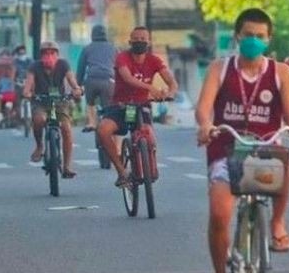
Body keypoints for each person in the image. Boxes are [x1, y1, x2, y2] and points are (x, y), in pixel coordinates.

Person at [195, 8, 289, 273]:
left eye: (260, 36)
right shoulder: (220, 69)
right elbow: (204, 109)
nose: (253, 40)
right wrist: (206, 126)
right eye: (248, 35)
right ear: (237, 36)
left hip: (266, 147)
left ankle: (277, 224)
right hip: (227, 149)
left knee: (286, 165)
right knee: (220, 213)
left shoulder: (280, 72)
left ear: (268, 39)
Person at [96, 26, 178, 187]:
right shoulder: (122, 57)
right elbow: (127, 78)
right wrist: (150, 88)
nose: (140, 42)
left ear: (149, 42)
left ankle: (149, 167)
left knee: (147, 135)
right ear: (130, 41)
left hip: (142, 106)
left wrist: (171, 92)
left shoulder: (154, 60)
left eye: (143, 39)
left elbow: (171, 81)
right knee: (103, 130)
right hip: (121, 106)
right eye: (136, 39)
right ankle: (121, 172)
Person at [23, 41, 83, 178]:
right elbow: (28, 85)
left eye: (52, 53)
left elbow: (72, 81)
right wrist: (27, 93)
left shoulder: (63, 64)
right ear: (41, 56)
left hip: (59, 102)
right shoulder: (34, 67)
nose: (49, 56)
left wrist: (76, 89)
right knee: (39, 120)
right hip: (41, 101)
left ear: (57, 55)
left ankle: (67, 166)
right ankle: (39, 146)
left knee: (66, 128)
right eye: (45, 53)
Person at [76, 24, 118, 132]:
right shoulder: (114, 48)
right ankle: (109, 125)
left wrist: (78, 85)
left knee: (90, 103)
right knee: (108, 108)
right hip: (109, 81)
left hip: (92, 80)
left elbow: (81, 68)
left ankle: (92, 122)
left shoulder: (87, 49)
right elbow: (120, 67)